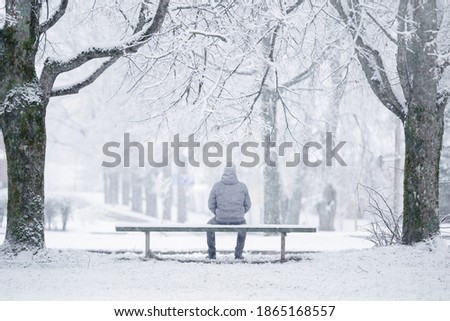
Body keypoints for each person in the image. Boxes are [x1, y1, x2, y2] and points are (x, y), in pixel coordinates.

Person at [207, 164, 251, 260]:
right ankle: (238, 254)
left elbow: (210, 204)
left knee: (209, 225)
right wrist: (240, 213)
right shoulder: (242, 186)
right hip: (238, 219)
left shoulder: (217, 186)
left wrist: (219, 213)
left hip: (220, 219)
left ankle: (212, 254)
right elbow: (248, 205)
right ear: (235, 173)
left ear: (224, 172)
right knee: (243, 226)